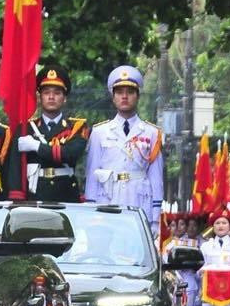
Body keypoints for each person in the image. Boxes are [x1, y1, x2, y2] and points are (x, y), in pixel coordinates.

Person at [84, 65, 165, 225]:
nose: (125, 96)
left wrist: (155, 218)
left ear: (138, 96)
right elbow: (93, 174)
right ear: (113, 97)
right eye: (120, 92)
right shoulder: (100, 132)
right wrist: (90, 208)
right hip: (108, 201)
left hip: (139, 202)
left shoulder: (151, 132)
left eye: (130, 92)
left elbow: (156, 177)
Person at [15, 63, 89, 202]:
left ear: (64, 98)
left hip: (65, 193)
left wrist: (36, 146)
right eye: (46, 92)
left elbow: (70, 154)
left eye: (57, 93)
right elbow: (16, 167)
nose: (51, 97)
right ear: (40, 98)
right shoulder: (26, 128)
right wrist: (17, 197)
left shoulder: (77, 127)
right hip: (36, 193)